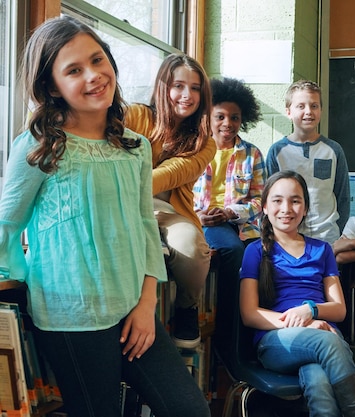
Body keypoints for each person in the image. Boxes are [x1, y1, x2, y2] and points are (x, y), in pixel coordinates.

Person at [0, 16, 210, 416]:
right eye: (74, 70)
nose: (94, 76)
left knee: (189, 409)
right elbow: (7, 224)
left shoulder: (135, 147)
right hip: (71, 316)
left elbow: (146, 226)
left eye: (98, 60)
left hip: (134, 309)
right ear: (51, 86)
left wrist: (147, 302)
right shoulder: (39, 146)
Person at [239, 170, 355, 417]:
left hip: (323, 331)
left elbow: (339, 309)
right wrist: (301, 323)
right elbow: (249, 314)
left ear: (305, 208)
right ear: (264, 207)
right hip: (277, 340)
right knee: (327, 342)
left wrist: (311, 310)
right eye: (277, 200)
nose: (286, 208)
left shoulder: (322, 250)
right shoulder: (255, 250)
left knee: (318, 382)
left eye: (295, 200)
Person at [125, 54, 215, 349]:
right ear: (163, 87)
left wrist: (130, 180)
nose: (187, 95)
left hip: (168, 211)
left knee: (193, 248)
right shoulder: (136, 115)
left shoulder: (205, 140)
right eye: (178, 85)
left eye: (195, 88)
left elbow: (176, 171)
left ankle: (187, 306)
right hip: (123, 203)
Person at [194, 77, 266, 290]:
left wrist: (230, 212)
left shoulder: (252, 154)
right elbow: (179, 194)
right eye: (220, 117)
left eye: (234, 118)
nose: (227, 123)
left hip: (243, 224)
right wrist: (197, 216)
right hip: (204, 221)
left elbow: (260, 200)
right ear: (208, 117)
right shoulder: (193, 151)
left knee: (261, 259)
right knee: (233, 251)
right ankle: (228, 322)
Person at [265, 79, 350, 244]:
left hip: (328, 238)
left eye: (314, 106)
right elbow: (269, 198)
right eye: (301, 106)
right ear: (288, 112)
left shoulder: (334, 150)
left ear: (321, 110)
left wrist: (339, 231)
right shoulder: (277, 151)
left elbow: (343, 197)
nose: (309, 111)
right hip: (288, 238)